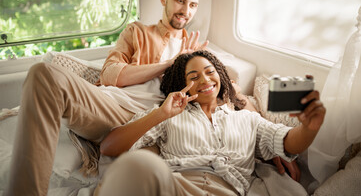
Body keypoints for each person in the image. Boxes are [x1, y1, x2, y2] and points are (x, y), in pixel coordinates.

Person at [5, 0, 208, 196]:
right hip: (107, 104)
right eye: (180, 0)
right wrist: (169, 63)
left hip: (143, 120)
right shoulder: (138, 32)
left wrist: (190, 64)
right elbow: (111, 74)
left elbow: (218, 90)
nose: (186, 10)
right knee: (43, 73)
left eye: (193, 4)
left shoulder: (196, 52)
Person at [98, 50, 326, 196]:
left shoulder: (247, 119)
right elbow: (109, 147)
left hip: (226, 190)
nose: (205, 80)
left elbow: (287, 142)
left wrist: (308, 127)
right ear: (181, 85)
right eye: (194, 77)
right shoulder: (169, 114)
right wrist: (160, 115)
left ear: (221, 77)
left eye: (210, 72)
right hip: (176, 186)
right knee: (139, 165)